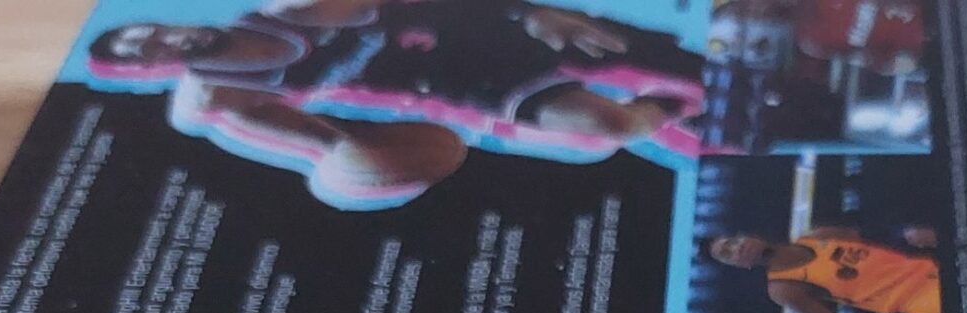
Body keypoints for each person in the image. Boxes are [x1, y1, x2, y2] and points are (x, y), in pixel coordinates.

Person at [87, 0, 710, 206]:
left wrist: (531, 11)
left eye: (150, 30)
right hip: (462, 84)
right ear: (152, 70)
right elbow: (328, 152)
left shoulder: (288, 10)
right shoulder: (227, 96)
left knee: (651, 49)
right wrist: (354, 163)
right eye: (145, 52)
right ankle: (673, 108)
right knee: (608, 124)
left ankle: (699, 83)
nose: (162, 40)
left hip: (480, 30)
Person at [706, 226, 944, 313]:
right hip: (921, 300)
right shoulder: (784, 287)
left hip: (930, 267)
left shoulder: (817, 236)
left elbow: (877, 236)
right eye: (728, 254)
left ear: (749, 235)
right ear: (740, 266)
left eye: (733, 241)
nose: (737, 248)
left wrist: (910, 234)